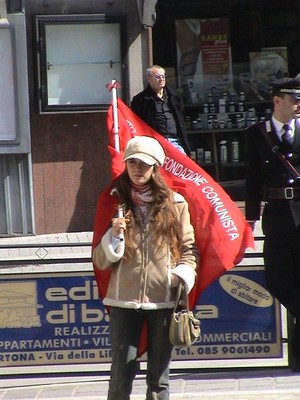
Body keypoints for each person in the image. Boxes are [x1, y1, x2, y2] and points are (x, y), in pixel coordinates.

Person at [92, 136, 199, 399]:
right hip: (123, 301)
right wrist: (114, 237)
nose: (138, 169)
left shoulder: (176, 204)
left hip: (163, 301)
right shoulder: (114, 202)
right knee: (120, 373)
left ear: (156, 167)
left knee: (159, 379)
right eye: (133, 163)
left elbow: (189, 250)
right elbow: (100, 261)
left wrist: (180, 276)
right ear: (126, 165)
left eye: (145, 164)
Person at [245, 74, 300, 372]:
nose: (298, 104)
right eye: (293, 99)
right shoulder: (257, 133)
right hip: (277, 215)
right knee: (279, 280)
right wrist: (249, 221)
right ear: (277, 101)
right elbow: (252, 180)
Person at [131, 65, 191, 156]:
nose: (161, 79)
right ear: (149, 79)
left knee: (184, 165)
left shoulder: (174, 96)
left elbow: (181, 115)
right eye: (158, 77)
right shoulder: (140, 100)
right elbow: (136, 123)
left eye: (163, 76)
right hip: (154, 143)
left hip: (174, 141)